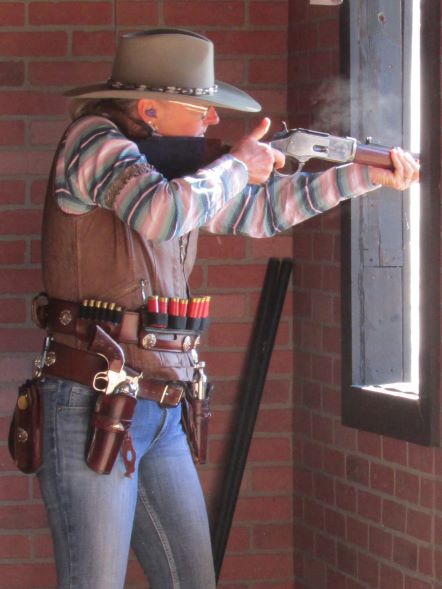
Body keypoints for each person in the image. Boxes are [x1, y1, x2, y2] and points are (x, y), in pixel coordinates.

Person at [33, 28, 419, 589]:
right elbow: (160, 214)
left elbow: (259, 214)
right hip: (91, 397)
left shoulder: (171, 170)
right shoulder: (93, 142)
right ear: (149, 109)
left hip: (163, 403)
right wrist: (237, 165)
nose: (213, 120)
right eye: (201, 108)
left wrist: (360, 175)